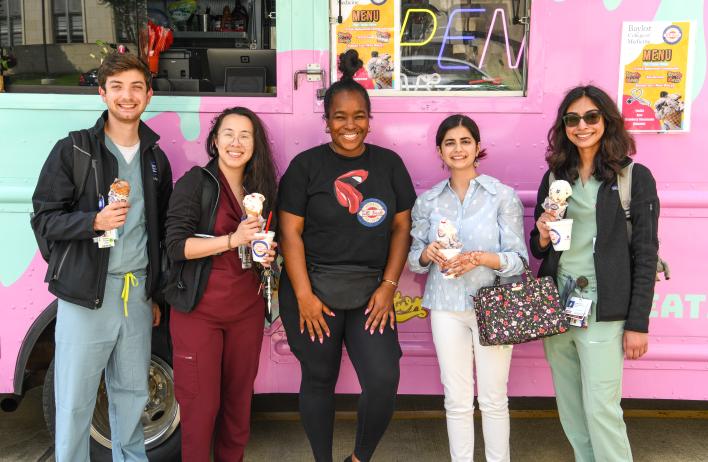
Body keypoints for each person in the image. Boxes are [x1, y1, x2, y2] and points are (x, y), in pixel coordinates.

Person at [31, 52, 173, 462]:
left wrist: (156, 294)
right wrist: (93, 221)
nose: (126, 97)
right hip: (86, 296)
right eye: (116, 88)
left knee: (132, 396)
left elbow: (159, 233)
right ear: (102, 93)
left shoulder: (155, 159)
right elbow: (44, 220)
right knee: (74, 400)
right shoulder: (75, 149)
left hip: (136, 294)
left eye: (135, 88)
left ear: (148, 94)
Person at [277, 49, 417, 462]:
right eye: (340, 116)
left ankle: (358, 459)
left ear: (370, 119)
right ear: (326, 121)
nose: (350, 125)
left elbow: (402, 227)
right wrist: (303, 295)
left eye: (359, 116)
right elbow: (289, 232)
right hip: (311, 290)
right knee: (319, 378)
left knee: (382, 378)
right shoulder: (305, 167)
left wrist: (389, 286)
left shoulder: (390, 164)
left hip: (370, 292)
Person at [530, 85, 659, 462]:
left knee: (602, 409)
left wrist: (638, 323)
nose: (582, 125)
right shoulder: (557, 175)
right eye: (572, 119)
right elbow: (543, 248)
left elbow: (646, 254)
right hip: (558, 305)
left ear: (607, 121)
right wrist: (540, 234)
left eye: (591, 117)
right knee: (570, 408)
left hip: (605, 310)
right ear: (563, 126)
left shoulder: (634, 177)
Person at [407, 114, 527, 462]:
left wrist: (481, 258)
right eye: (450, 143)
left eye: (465, 141)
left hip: (493, 304)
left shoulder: (501, 196)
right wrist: (427, 253)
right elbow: (414, 261)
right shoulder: (428, 201)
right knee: (456, 399)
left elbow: (519, 260)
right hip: (446, 307)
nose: (458, 149)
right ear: (439, 151)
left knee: (493, 398)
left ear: (478, 147)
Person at [164, 106, 278, 462]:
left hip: (246, 311)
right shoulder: (196, 182)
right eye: (228, 134)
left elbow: (263, 246)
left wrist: (267, 254)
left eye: (245, 135)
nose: (236, 142)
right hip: (200, 312)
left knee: (238, 406)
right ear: (214, 140)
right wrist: (231, 240)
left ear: (255, 144)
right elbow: (175, 247)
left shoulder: (259, 189)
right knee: (200, 409)